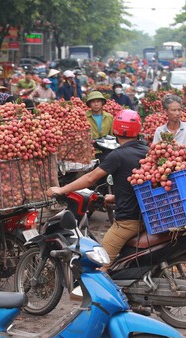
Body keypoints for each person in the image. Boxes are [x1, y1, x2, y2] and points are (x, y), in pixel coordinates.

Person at [46, 109, 148, 263]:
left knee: (100, 264)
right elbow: (136, 182)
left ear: (115, 130)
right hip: (144, 216)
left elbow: (90, 178)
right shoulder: (146, 150)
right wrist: (115, 197)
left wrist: (61, 189)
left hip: (128, 221)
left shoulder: (118, 155)